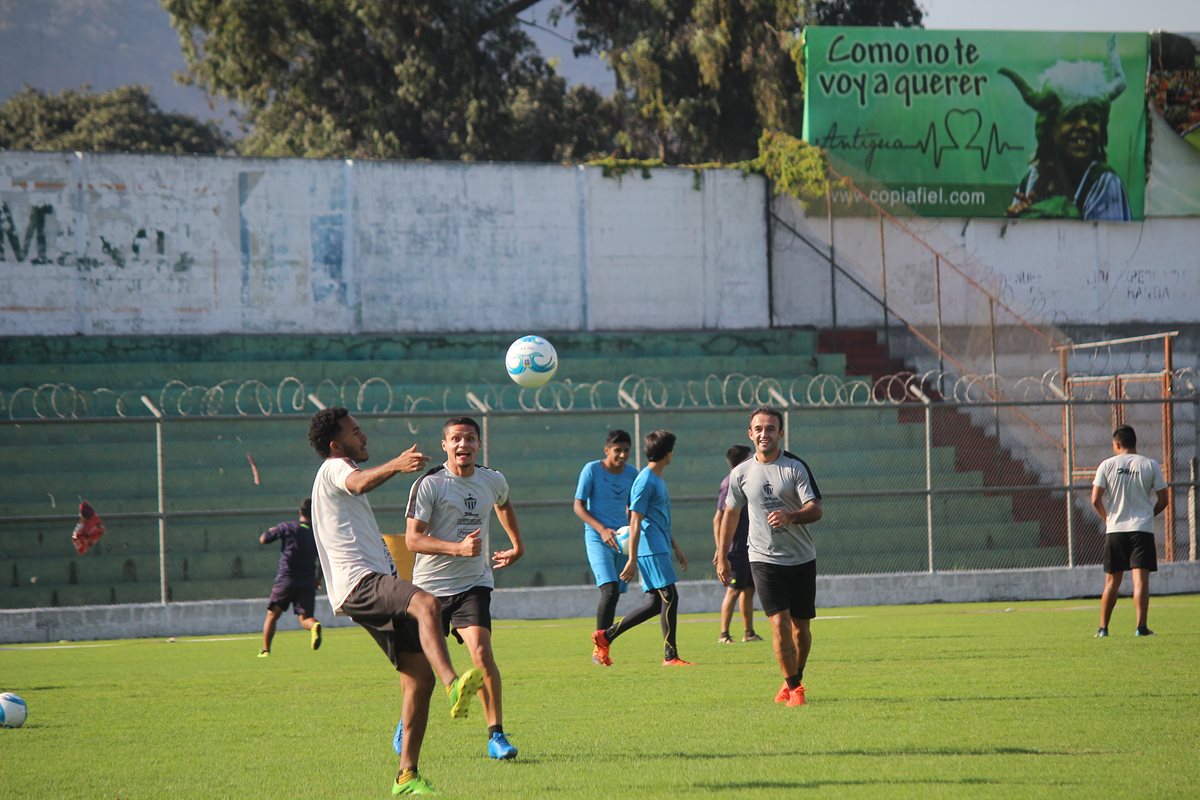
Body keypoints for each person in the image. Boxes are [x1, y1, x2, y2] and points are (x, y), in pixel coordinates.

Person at [307, 407, 485, 796]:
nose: (363, 435)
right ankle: (454, 683)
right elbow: (358, 483)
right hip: (361, 583)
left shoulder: (336, 475)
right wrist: (398, 464)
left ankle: (406, 776)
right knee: (426, 604)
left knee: (417, 680)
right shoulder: (336, 467)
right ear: (337, 444)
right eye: (356, 432)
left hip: (369, 584)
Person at [406, 416, 525, 761]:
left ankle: (496, 736)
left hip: (473, 583)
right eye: (456, 439)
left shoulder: (492, 480)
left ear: (479, 444)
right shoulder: (430, 484)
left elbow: (503, 503)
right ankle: (406, 722)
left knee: (482, 653)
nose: (464, 445)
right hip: (428, 590)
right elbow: (413, 540)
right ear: (445, 445)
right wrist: (457, 548)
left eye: (470, 439)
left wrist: (517, 545)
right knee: (419, 670)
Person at [716, 407, 823, 708]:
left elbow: (816, 509)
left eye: (770, 428)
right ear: (750, 434)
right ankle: (795, 689)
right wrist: (722, 555)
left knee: (800, 629)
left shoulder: (795, 468)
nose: (764, 434)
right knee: (778, 623)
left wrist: (791, 516)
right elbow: (731, 513)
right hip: (763, 558)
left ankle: (794, 676)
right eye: (759, 429)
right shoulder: (741, 473)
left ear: (781, 433)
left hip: (801, 558)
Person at [1000, 37, 1132, 221]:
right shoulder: (1031, 180)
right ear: (1049, 128)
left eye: (1092, 119)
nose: (1084, 125)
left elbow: (1105, 243)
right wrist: (1019, 218)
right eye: (1071, 117)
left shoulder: (1103, 182)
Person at [591, 429, 690, 667]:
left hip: (659, 545)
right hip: (650, 547)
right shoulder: (645, 480)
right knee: (670, 597)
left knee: (655, 603)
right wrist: (632, 558)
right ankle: (670, 656)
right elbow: (635, 519)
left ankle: (606, 635)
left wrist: (675, 547)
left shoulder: (656, 479)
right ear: (668, 454)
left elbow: (659, 518)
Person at [1091, 425, 1168, 638]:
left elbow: (1095, 499)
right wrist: (1148, 515)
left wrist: (1108, 518)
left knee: (1112, 582)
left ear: (1116, 444)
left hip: (1115, 530)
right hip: (1141, 530)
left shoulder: (1106, 465)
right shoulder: (1150, 465)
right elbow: (1164, 500)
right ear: (1135, 443)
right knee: (1140, 581)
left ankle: (1103, 628)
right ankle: (1141, 628)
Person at [573, 429, 638, 665]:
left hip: (623, 541)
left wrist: (632, 532)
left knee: (615, 595)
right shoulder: (591, 470)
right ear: (607, 450)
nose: (622, 455)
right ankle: (599, 649)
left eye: (626, 450)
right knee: (609, 590)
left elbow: (635, 508)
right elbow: (578, 506)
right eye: (617, 450)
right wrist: (601, 529)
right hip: (598, 538)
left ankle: (604, 647)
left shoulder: (633, 474)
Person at [257, 498, 323, 657]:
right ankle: (314, 626)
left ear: (300, 512)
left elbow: (264, 539)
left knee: (273, 615)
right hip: (307, 581)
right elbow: (322, 559)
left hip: (286, 579)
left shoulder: (287, 527)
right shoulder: (317, 534)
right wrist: (318, 579)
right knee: (305, 618)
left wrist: (272, 530)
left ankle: (265, 650)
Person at [712, 445, 762, 645]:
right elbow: (718, 518)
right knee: (733, 590)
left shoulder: (747, 481)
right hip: (736, 548)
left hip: (750, 546)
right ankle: (724, 634)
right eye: (750, 458)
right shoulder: (729, 483)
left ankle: (748, 632)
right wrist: (721, 548)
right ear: (742, 462)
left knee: (748, 590)